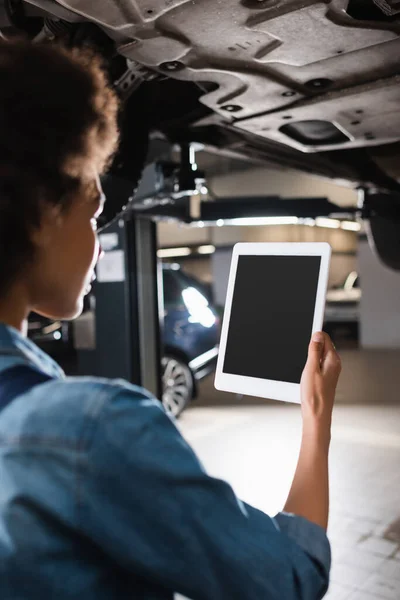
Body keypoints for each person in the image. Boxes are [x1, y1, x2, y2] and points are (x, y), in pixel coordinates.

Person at [0, 39, 341, 600]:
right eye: (92, 212)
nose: (99, 236)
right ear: (39, 216)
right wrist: (317, 419)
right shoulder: (86, 430)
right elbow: (288, 579)